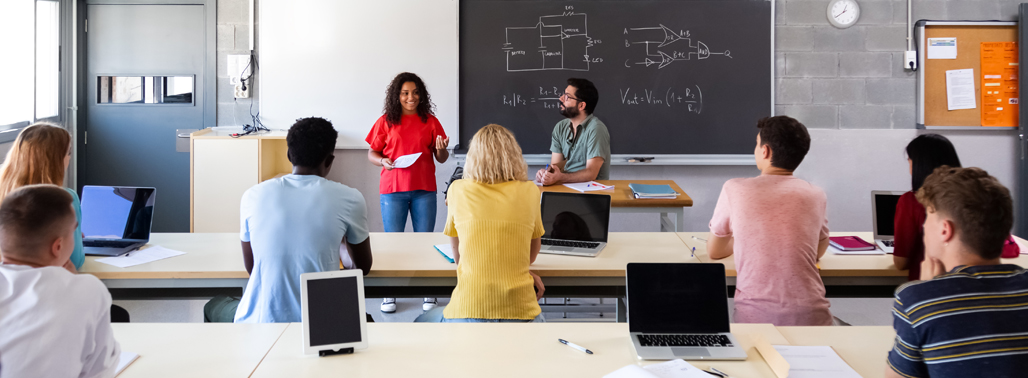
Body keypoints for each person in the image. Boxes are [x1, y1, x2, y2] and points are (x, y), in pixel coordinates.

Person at [204, 117, 373, 323]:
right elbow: (361, 268)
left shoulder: (253, 195)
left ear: (288, 155)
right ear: (329, 161)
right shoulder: (350, 198)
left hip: (259, 323)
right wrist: (339, 243)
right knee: (365, 319)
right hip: (320, 327)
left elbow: (252, 267)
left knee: (214, 305)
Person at [886, 166, 1028, 378]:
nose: (924, 227)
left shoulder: (917, 300)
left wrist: (929, 290)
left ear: (945, 230)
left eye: (928, 219)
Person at [706, 116, 832, 326]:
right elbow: (817, 250)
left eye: (756, 144)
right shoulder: (815, 194)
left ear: (765, 151)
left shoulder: (735, 188)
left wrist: (748, 239)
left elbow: (715, 251)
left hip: (756, 319)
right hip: (813, 317)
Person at [420, 124, 546, 322]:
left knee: (420, 321)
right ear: (514, 155)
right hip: (522, 313)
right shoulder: (530, 190)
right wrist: (521, 274)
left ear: (472, 157)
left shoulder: (457, 190)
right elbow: (530, 255)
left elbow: (460, 258)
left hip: (468, 310)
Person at [0, 185, 120, 378]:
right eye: (75, 230)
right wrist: (74, 280)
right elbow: (101, 369)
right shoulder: (88, 290)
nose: (80, 236)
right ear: (58, 246)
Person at [366, 72, 448, 313]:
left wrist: (442, 149)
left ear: (421, 95)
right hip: (393, 190)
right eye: (405, 93)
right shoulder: (386, 121)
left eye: (414, 92)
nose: (410, 97)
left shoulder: (430, 121)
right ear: (397, 96)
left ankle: (428, 293)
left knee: (425, 241)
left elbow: (440, 158)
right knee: (394, 243)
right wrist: (383, 162)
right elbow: (372, 153)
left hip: (424, 189)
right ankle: (389, 294)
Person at [893, 134, 1017, 281]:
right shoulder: (981, 198)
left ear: (945, 230)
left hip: (929, 284)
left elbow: (901, 262)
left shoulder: (913, 201)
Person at [0, 123, 83, 273]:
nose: (69, 159)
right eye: (68, 153)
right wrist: (74, 238)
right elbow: (75, 260)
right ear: (56, 160)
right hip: (52, 287)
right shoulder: (65, 199)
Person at [534, 78, 610, 186]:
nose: (561, 98)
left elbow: (591, 173)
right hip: (565, 190)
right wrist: (546, 173)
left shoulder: (596, 129)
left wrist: (560, 177)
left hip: (592, 195)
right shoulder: (560, 127)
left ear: (581, 106)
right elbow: (556, 166)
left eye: (567, 97)